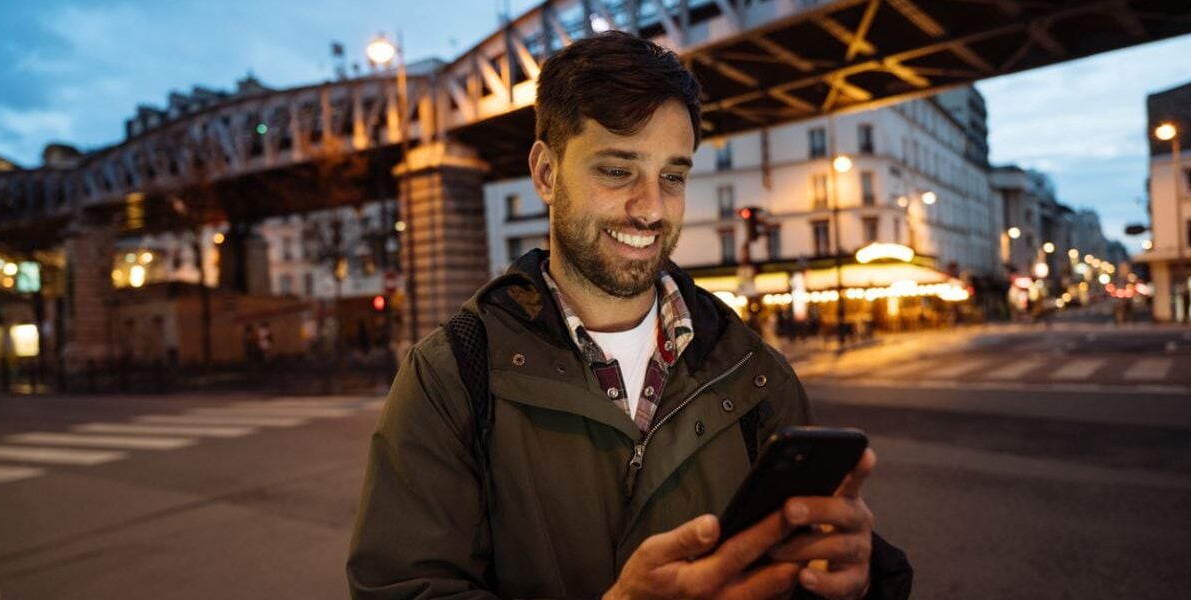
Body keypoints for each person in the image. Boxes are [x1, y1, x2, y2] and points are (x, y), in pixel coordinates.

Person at [348, 31, 911, 600]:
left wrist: (856, 580)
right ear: (545, 173)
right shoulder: (449, 376)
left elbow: (797, 565)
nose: (650, 208)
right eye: (618, 170)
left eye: (672, 175)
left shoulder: (755, 371)